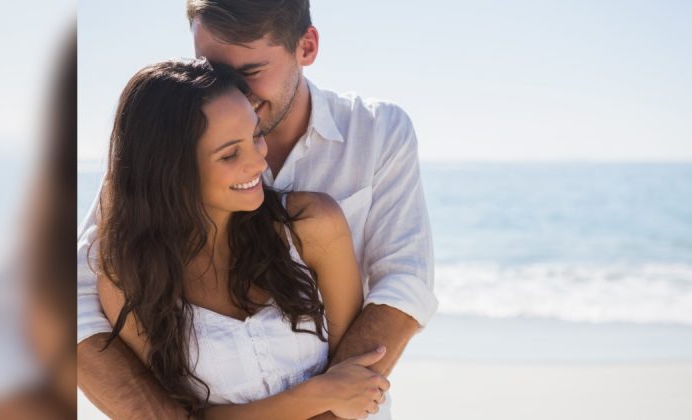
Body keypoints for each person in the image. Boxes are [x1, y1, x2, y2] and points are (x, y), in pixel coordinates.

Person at [77, 1, 437, 419]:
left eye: (249, 72)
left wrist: (331, 406)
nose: (235, 92)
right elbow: (77, 296)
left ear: (307, 47)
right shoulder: (164, 164)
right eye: (212, 69)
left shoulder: (375, 133)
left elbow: (404, 283)